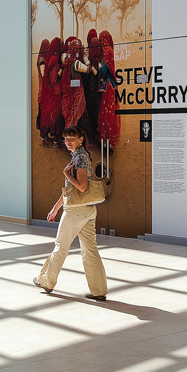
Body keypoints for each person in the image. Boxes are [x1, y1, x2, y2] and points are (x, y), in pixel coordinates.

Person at [33, 126, 109, 302]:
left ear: (81, 139)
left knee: (61, 246)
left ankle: (46, 281)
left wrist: (66, 173)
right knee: (90, 251)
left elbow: (81, 187)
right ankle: (99, 290)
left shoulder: (80, 158)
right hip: (88, 210)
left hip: (76, 210)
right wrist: (55, 208)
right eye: (66, 138)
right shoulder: (78, 156)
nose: (68, 141)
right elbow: (71, 189)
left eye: (72, 138)